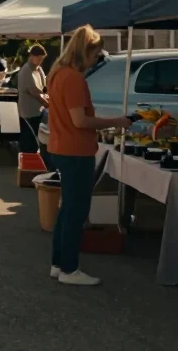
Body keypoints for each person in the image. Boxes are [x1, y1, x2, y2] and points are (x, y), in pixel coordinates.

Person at [46, 25, 131, 286]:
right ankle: (69, 269)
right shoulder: (73, 78)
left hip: (61, 147)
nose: (96, 60)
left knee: (67, 210)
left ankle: (59, 263)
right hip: (75, 151)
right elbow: (81, 120)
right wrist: (117, 121)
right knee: (76, 211)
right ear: (86, 52)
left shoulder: (58, 73)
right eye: (95, 55)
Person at [17, 45, 50, 157]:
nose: (41, 61)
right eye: (39, 58)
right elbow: (34, 92)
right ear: (32, 56)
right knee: (29, 143)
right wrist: (47, 103)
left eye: (42, 58)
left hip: (39, 112)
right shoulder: (26, 71)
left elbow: (44, 88)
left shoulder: (39, 69)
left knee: (38, 141)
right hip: (28, 113)